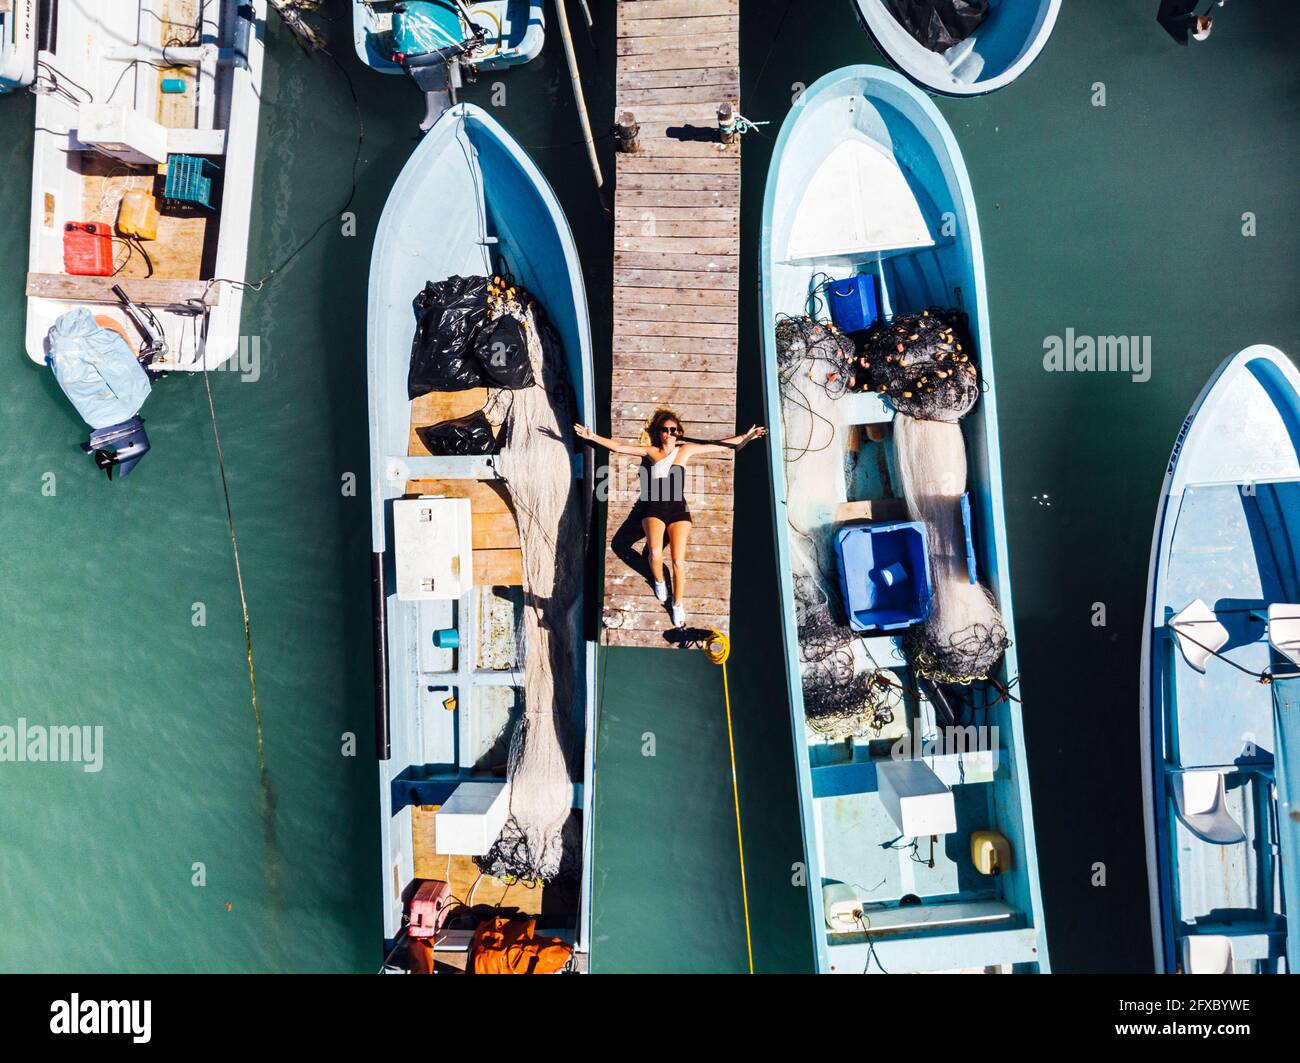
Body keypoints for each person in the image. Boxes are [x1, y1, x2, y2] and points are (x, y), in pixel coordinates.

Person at [575, 409, 766, 628]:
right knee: (654, 553)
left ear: (678, 433)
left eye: (673, 430)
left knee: (678, 562)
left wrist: (746, 436)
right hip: (654, 507)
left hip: (678, 509)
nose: (669, 433)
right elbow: (619, 447)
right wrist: (592, 436)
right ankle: (658, 581)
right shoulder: (651, 452)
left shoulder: (685, 450)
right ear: (659, 433)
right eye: (665, 430)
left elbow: (718, 445)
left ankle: (677, 604)